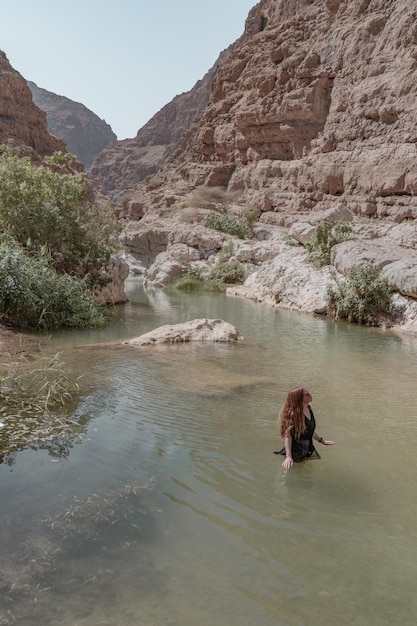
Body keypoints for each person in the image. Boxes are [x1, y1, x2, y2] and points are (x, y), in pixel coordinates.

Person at [276, 387, 335, 468]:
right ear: (299, 399)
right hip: (295, 452)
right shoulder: (293, 416)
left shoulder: (308, 408)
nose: (310, 394)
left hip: (307, 448)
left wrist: (322, 441)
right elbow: (287, 436)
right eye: (307, 394)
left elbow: (309, 431)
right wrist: (289, 457)